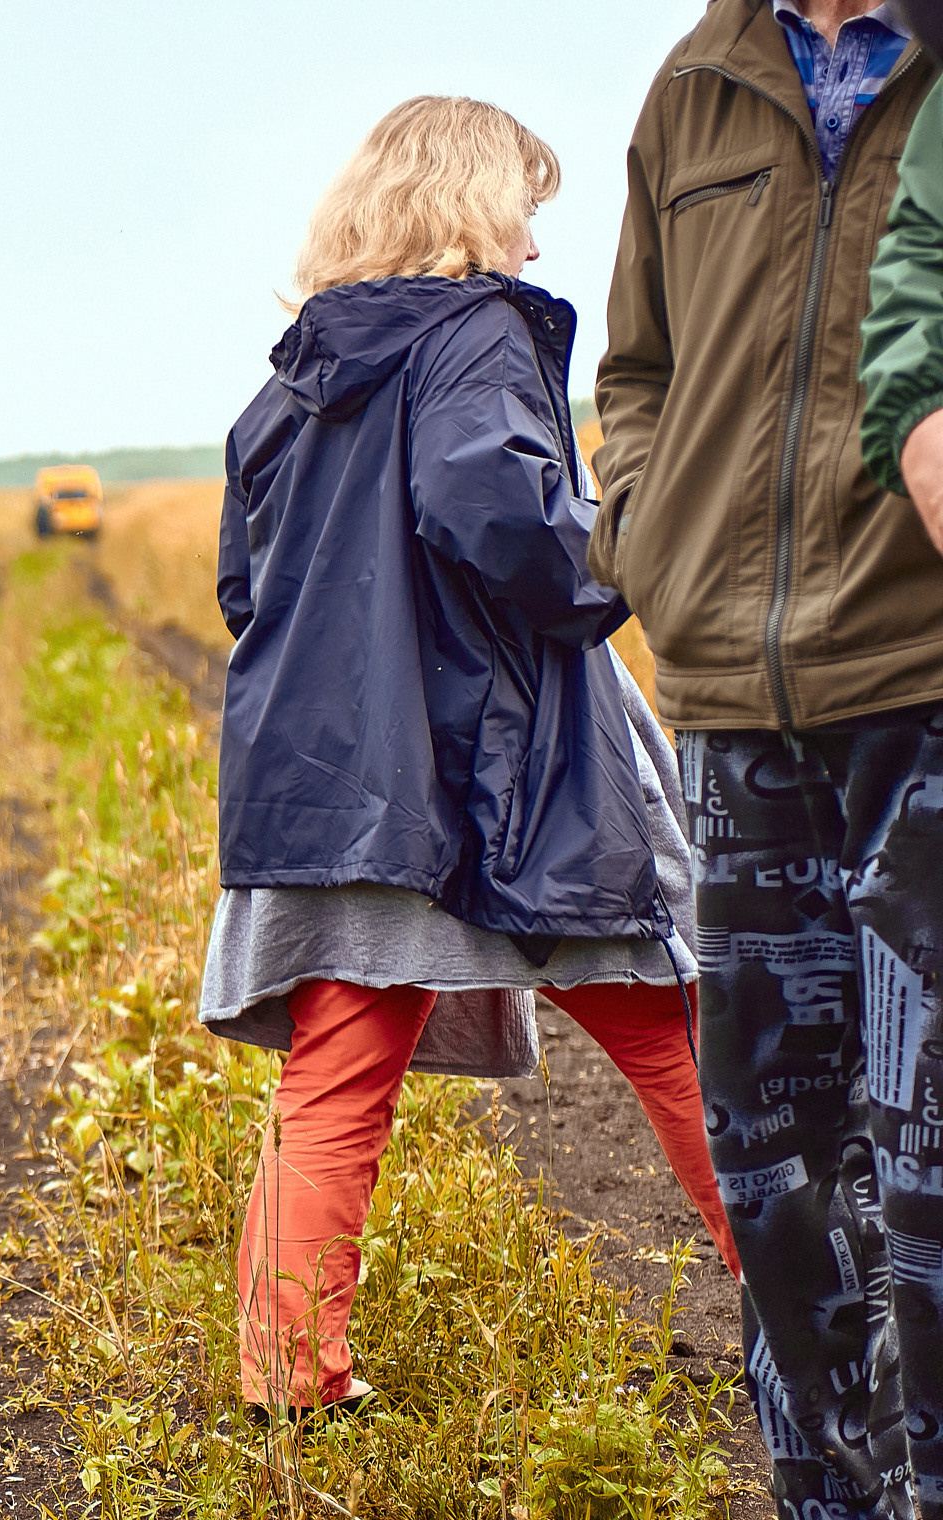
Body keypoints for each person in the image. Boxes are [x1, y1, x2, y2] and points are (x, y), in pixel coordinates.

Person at [205, 96, 742, 1435]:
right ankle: (823, 1320)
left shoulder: (291, 376)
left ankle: (289, 1384)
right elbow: (502, 521)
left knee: (336, 1072)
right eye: (525, 207)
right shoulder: (477, 334)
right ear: (469, 205)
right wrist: (624, 542)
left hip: (334, 784)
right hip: (506, 772)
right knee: (685, 1029)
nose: (535, 241)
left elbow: (243, 588)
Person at [596, 1, 943, 1520]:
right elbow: (639, 370)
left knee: (934, 1151)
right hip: (735, 687)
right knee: (776, 1145)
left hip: (928, 672)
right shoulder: (697, 80)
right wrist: (650, 532)